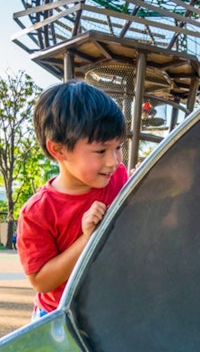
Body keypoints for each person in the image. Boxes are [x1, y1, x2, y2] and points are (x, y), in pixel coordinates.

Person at [17, 81, 128, 320]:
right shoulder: (37, 212)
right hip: (61, 315)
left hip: (111, 305)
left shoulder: (118, 178)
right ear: (58, 150)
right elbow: (41, 281)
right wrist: (88, 239)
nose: (114, 160)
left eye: (118, 147)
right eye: (100, 151)